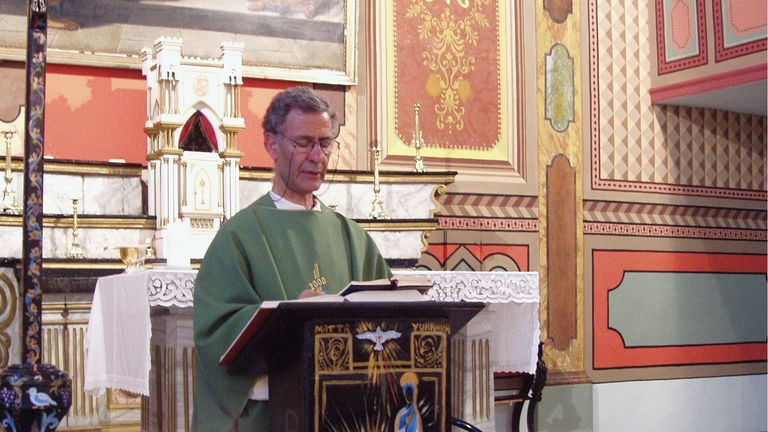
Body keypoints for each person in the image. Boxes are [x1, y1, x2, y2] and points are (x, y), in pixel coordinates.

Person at [192, 86, 391, 431]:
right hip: (273, 416)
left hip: (346, 414)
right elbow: (215, 335)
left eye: (325, 143)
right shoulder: (239, 236)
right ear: (272, 144)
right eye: (303, 143)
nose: (317, 156)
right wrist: (287, 317)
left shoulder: (352, 237)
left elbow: (387, 317)